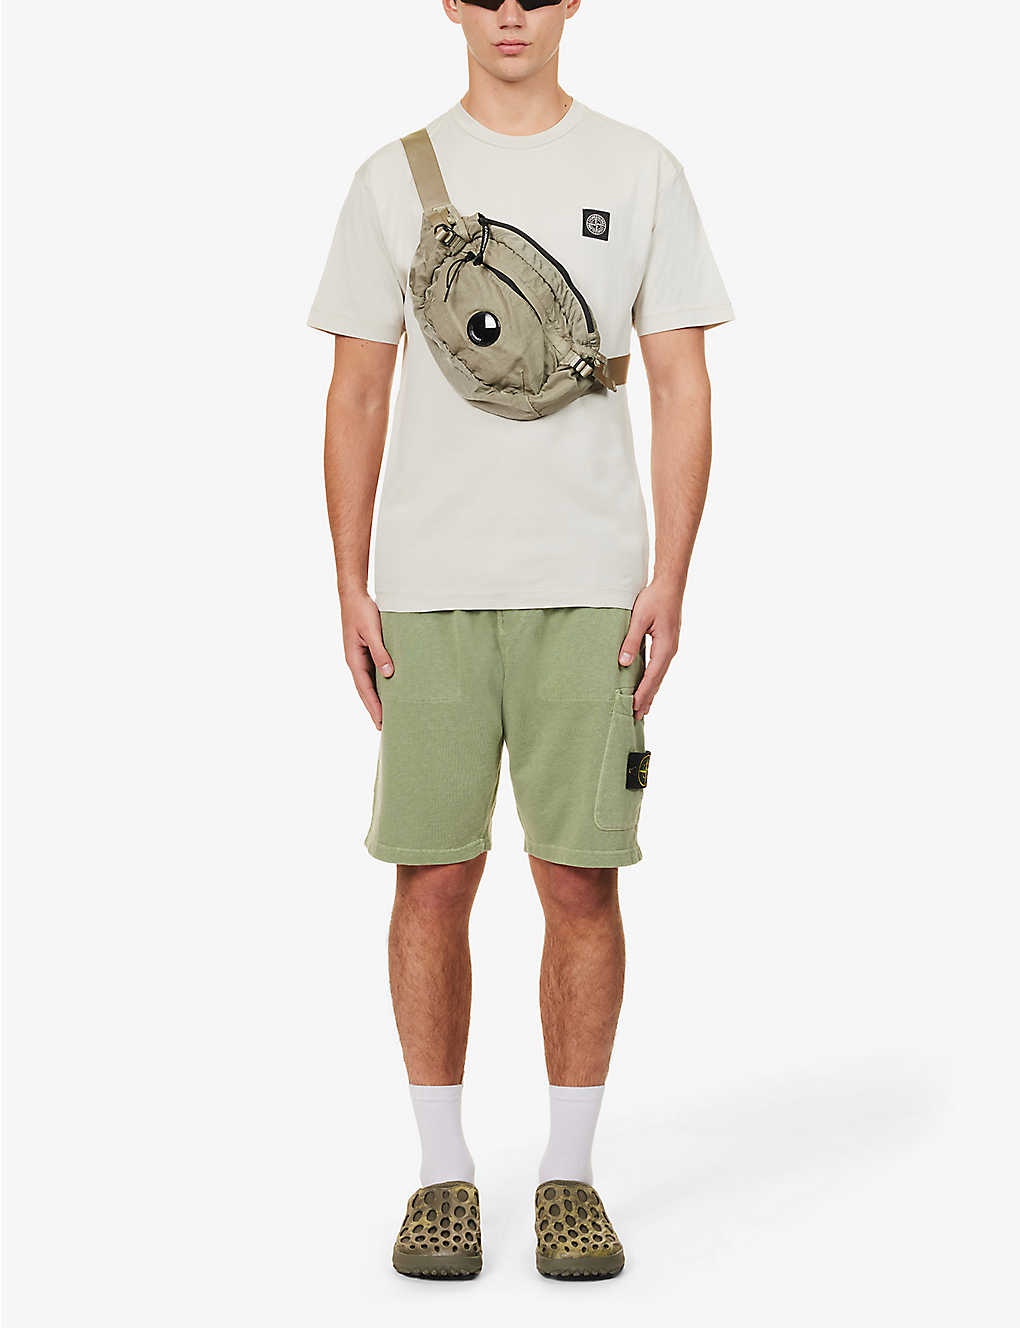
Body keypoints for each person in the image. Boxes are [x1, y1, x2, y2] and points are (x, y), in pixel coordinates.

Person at [307, 0, 733, 1282]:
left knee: (580, 879)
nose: (510, 12)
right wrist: (348, 581)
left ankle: (569, 1175)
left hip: (593, 587)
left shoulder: (641, 167)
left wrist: (669, 574)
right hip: (428, 586)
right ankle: (442, 1174)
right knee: (431, 877)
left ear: (571, 3)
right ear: (448, 2)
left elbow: (681, 382)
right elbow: (358, 387)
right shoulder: (390, 178)